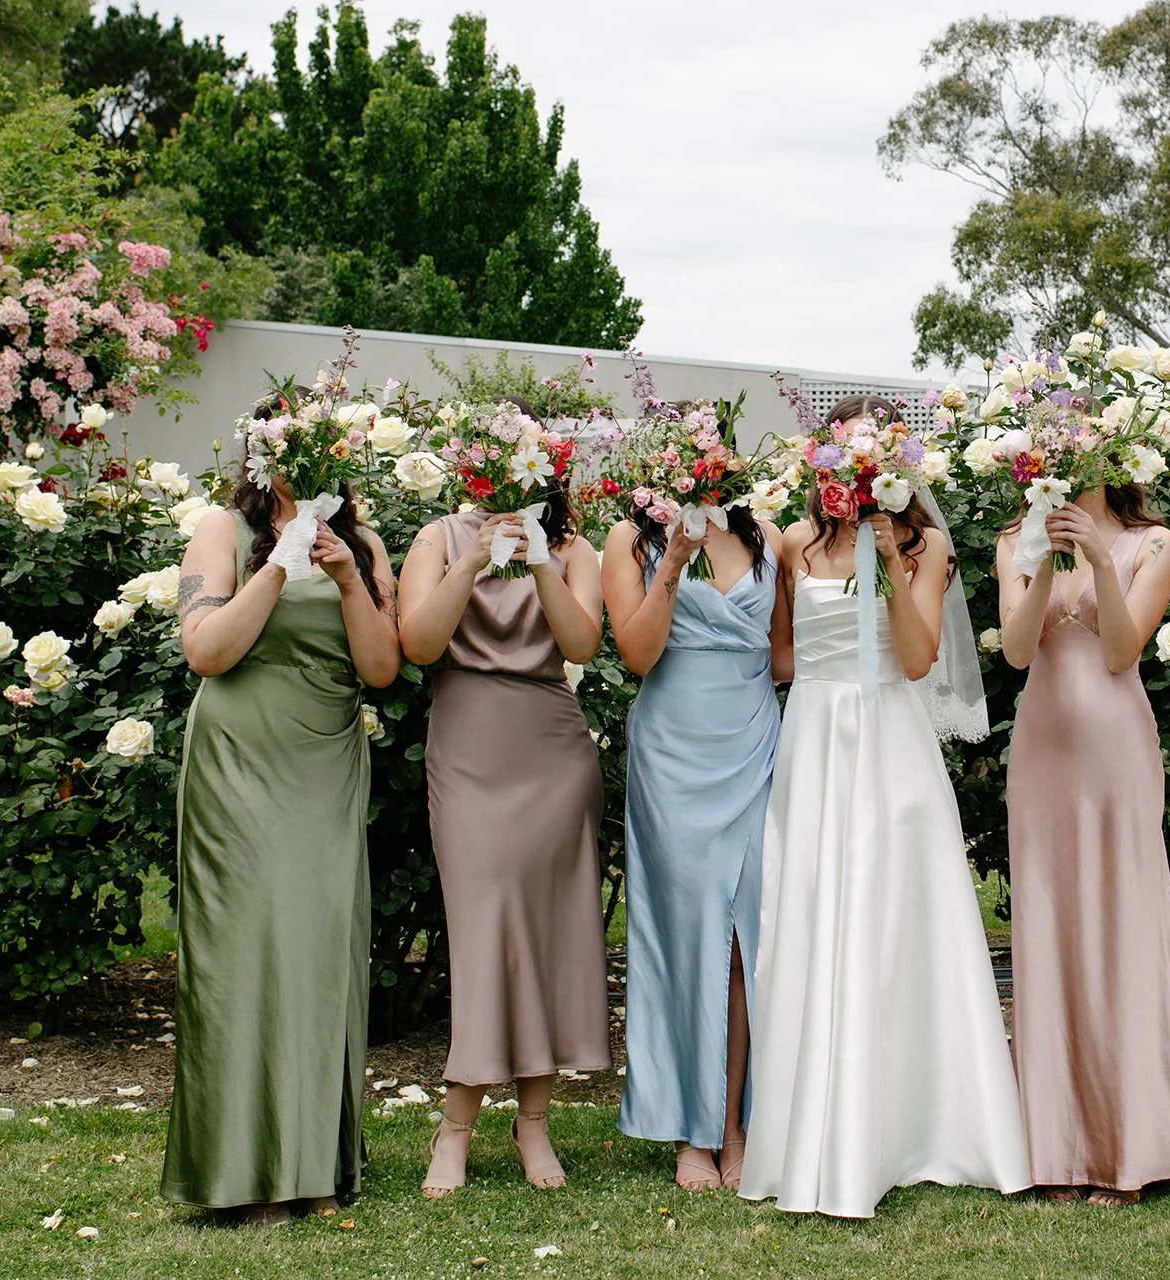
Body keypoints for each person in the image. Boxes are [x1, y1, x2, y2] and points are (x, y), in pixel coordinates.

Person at [740, 396, 1029, 1217]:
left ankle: (919, 1126)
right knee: (816, 909)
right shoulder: (793, 542)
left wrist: (888, 564)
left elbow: (914, 658)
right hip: (817, 738)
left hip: (893, 737)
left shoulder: (925, 544)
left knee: (900, 916)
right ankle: (815, 1125)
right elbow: (784, 653)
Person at [161, 405, 401, 1225]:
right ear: (264, 455)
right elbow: (206, 651)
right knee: (244, 955)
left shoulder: (365, 547)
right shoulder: (222, 530)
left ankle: (314, 1164)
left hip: (323, 766)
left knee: (317, 953)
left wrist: (341, 577)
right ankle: (244, 1170)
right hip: (238, 764)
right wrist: (278, 567)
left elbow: (380, 671)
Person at [398, 437, 608, 1198]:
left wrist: (543, 556)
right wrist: (473, 560)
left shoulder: (575, 548)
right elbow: (418, 643)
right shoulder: (437, 537)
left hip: (552, 755)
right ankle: (454, 1128)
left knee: (546, 940)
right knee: (486, 934)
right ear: (472, 474)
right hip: (469, 749)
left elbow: (582, 641)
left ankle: (534, 1123)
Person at [997, 482, 1170, 1204]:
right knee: (1050, 935)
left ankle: (1128, 1147)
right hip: (1042, 756)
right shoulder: (1013, 542)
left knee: (1121, 930)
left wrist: (1098, 562)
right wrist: (1048, 565)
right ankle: (1055, 1146)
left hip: (1117, 751)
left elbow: (1121, 651)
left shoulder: (1154, 542)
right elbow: (1018, 654)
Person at [604, 490, 782, 1192]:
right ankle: (688, 1131)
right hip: (674, 751)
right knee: (684, 937)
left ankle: (734, 1126)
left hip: (752, 745)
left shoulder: (764, 533)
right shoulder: (629, 540)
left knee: (743, 941)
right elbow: (638, 655)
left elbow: (785, 651)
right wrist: (673, 561)